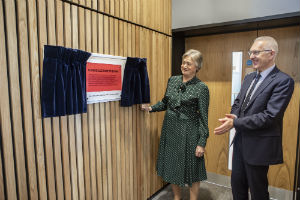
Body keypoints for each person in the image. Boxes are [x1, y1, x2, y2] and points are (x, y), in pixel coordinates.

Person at [214, 36, 294, 200]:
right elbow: (238, 102)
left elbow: (270, 116)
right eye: (250, 52)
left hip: (259, 146)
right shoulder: (249, 78)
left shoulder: (283, 81)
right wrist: (234, 114)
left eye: (256, 52)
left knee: (258, 192)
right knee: (237, 187)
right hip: (240, 142)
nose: (251, 56)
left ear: (271, 54)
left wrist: (235, 122)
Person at [142, 49, 209, 200]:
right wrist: (151, 108)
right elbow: (166, 102)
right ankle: (177, 198)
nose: (184, 66)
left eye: (189, 63)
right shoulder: (172, 80)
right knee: (173, 165)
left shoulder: (202, 88)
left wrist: (201, 142)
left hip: (190, 131)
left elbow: (204, 117)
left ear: (197, 67)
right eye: (183, 62)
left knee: (193, 168)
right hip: (171, 129)